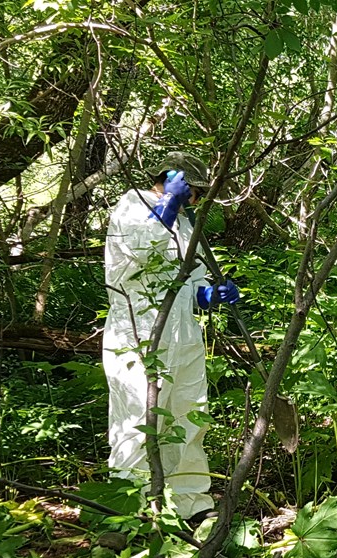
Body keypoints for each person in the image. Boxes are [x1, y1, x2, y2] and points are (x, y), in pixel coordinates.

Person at [102, 152, 239, 521]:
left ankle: (190, 503)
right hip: (138, 336)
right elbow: (140, 254)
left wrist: (211, 294)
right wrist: (168, 203)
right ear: (174, 179)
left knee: (190, 416)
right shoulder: (131, 207)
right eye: (194, 190)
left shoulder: (183, 225)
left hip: (183, 337)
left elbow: (190, 284)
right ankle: (132, 512)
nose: (196, 199)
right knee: (138, 420)